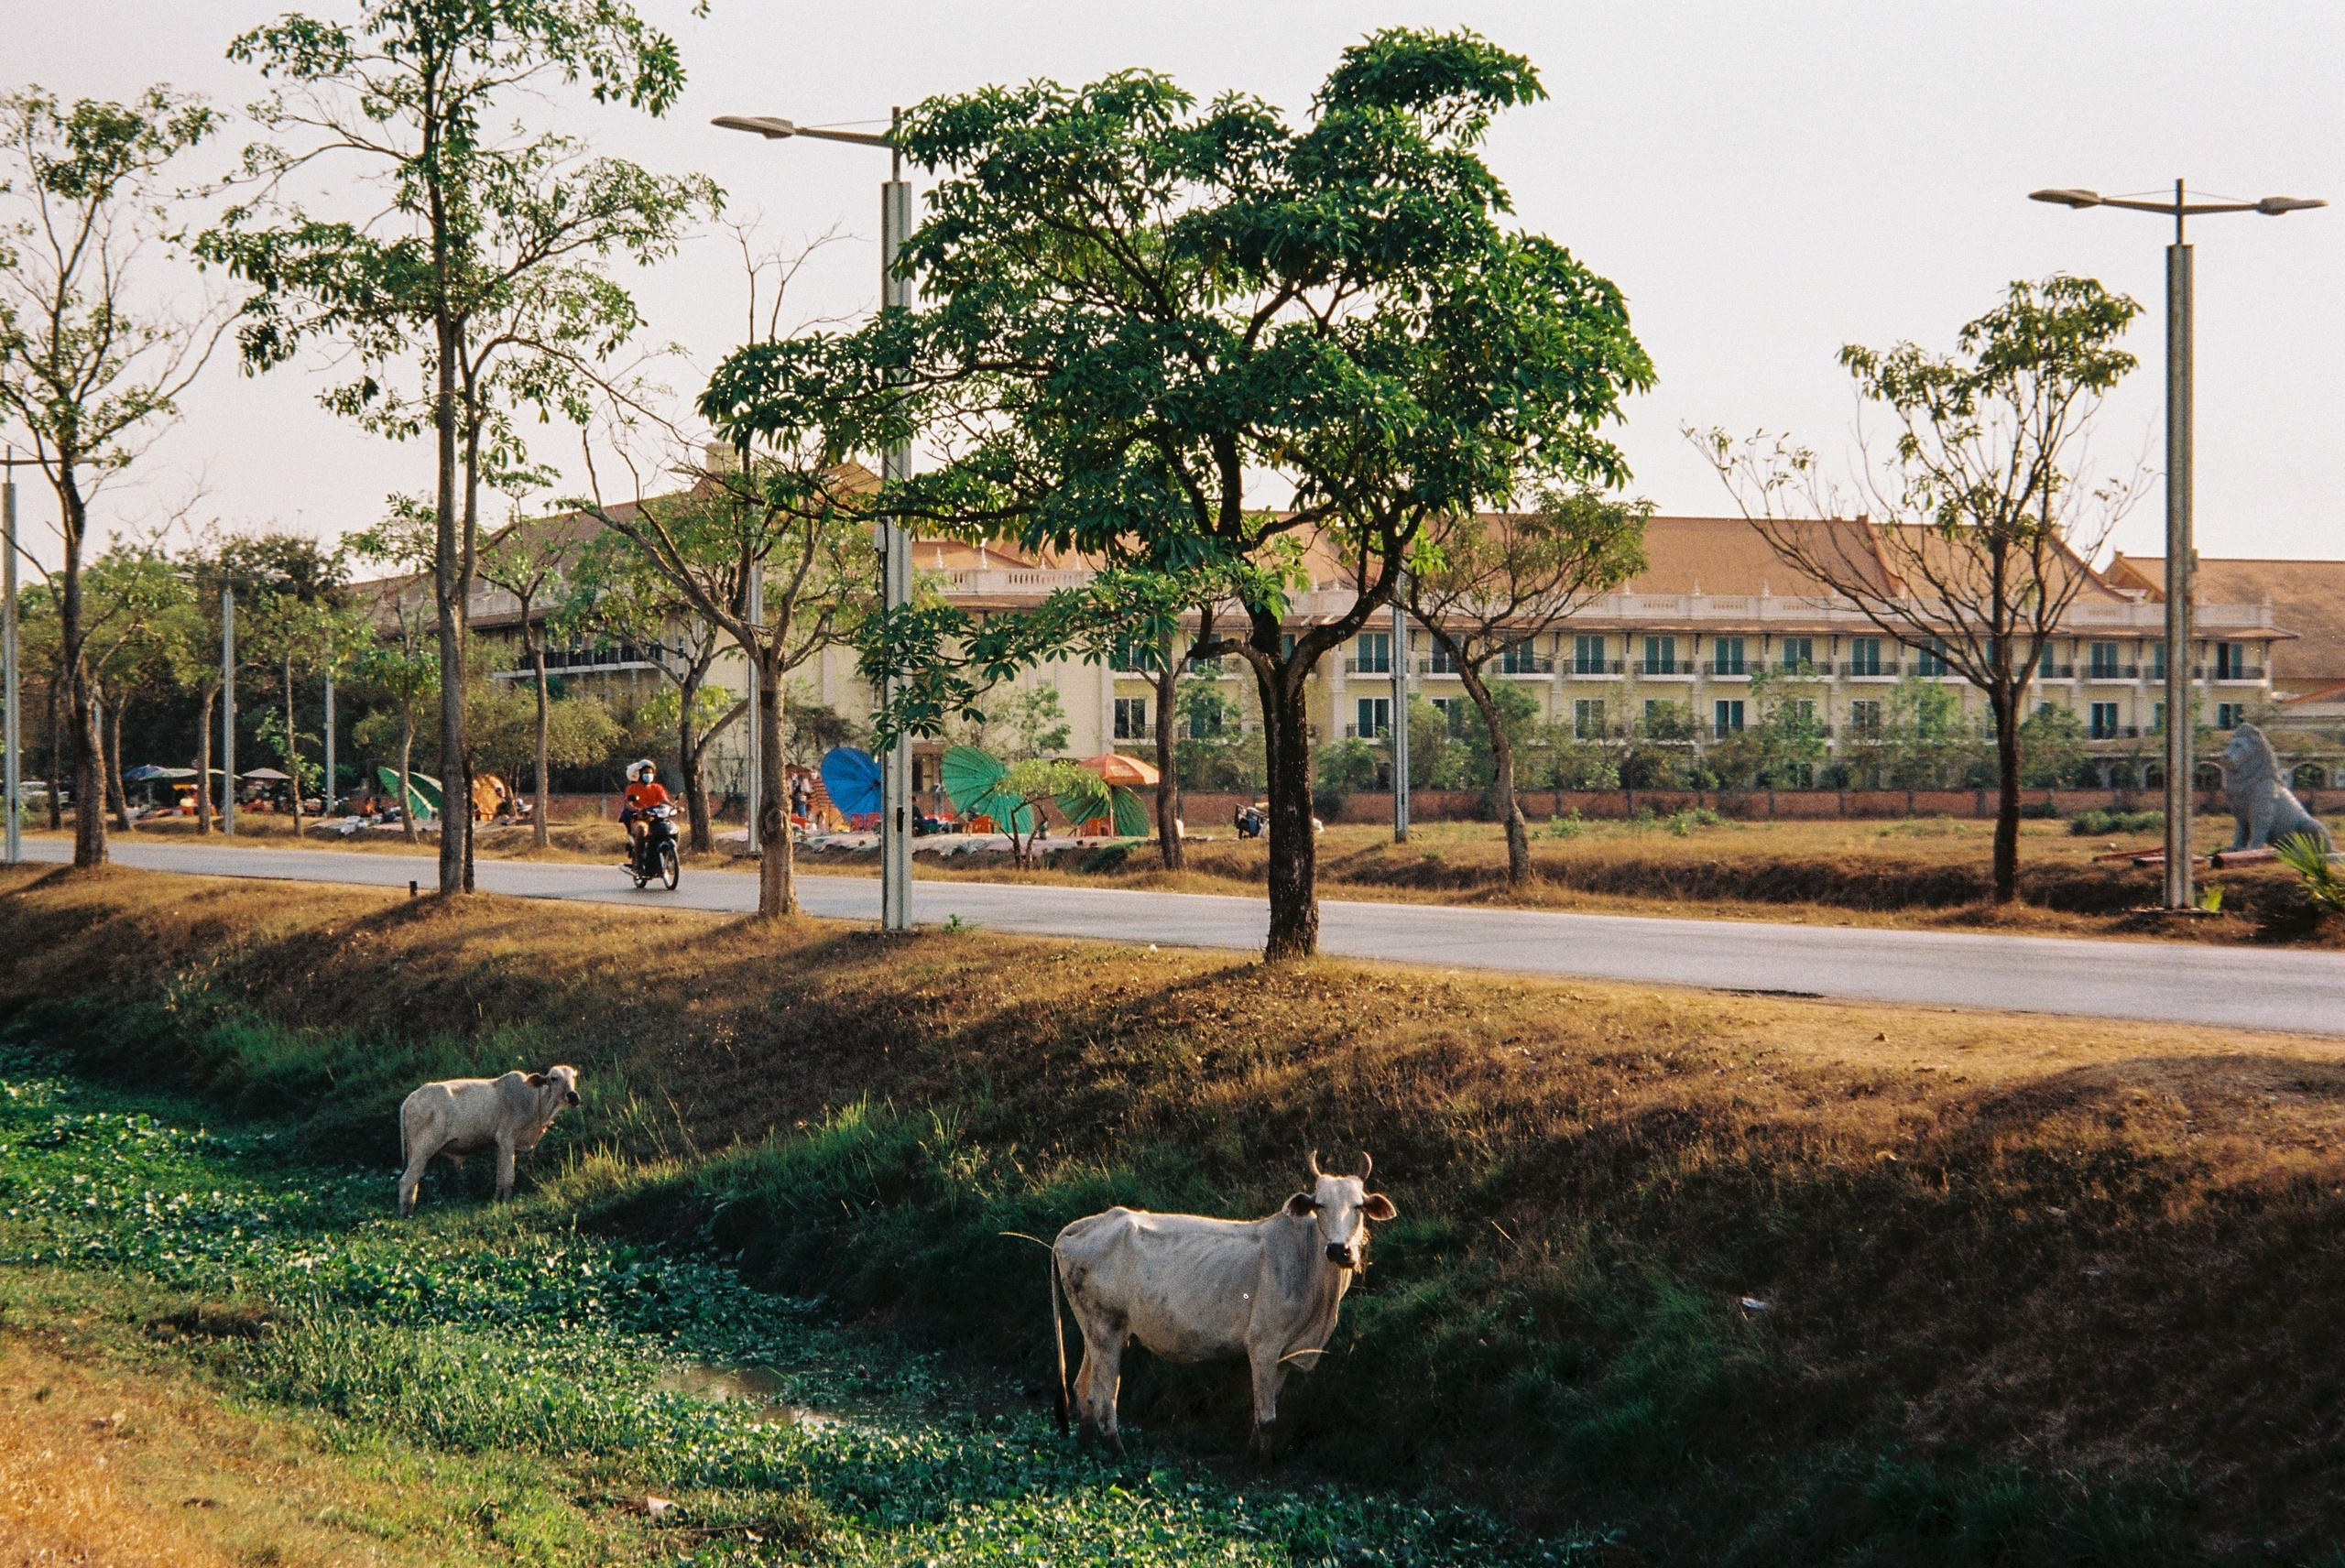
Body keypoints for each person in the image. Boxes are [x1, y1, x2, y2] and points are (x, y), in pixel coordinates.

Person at [620, 759, 670, 863]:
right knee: (642, 830)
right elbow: (628, 803)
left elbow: (665, 800)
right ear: (640, 774)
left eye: (650, 772)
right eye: (645, 772)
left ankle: (669, 857)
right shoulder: (632, 788)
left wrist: (675, 807)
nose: (648, 775)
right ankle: (638, 860)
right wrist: (637, 810)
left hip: (656, 819)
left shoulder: (657, 788)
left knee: (672, 829)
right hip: (641, 819)